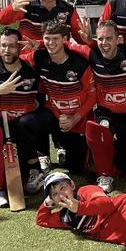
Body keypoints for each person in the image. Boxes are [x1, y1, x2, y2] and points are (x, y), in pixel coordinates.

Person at [66, 20, 126, 193]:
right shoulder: (91, 53)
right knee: (101, 130)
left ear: (119, 39)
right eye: (101, 39)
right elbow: (64, 45)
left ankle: (115, 156)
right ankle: (104, 174)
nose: (104, 44)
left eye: (109, 39)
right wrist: (41, 44)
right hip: (106, 113)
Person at [0, 27, 46, 202]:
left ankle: (34, 170)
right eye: (4, 45)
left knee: (27, 123)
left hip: (21, 124)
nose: (7, 50)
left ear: (19, 48)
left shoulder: (31, 70)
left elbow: (44, 89)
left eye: (12, 46)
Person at [20, 20, 96, 174]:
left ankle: (88, 149)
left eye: (55, 39)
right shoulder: (39, 57)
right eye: (47, 38)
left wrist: (75, 117)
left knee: (76, 169)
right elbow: (12, 61)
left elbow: (92, 95)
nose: (51, 43)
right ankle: (37, 163)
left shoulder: (80, 63)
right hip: (54, 115)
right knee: (25, 123)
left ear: (64, 39)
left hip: (77, 119)